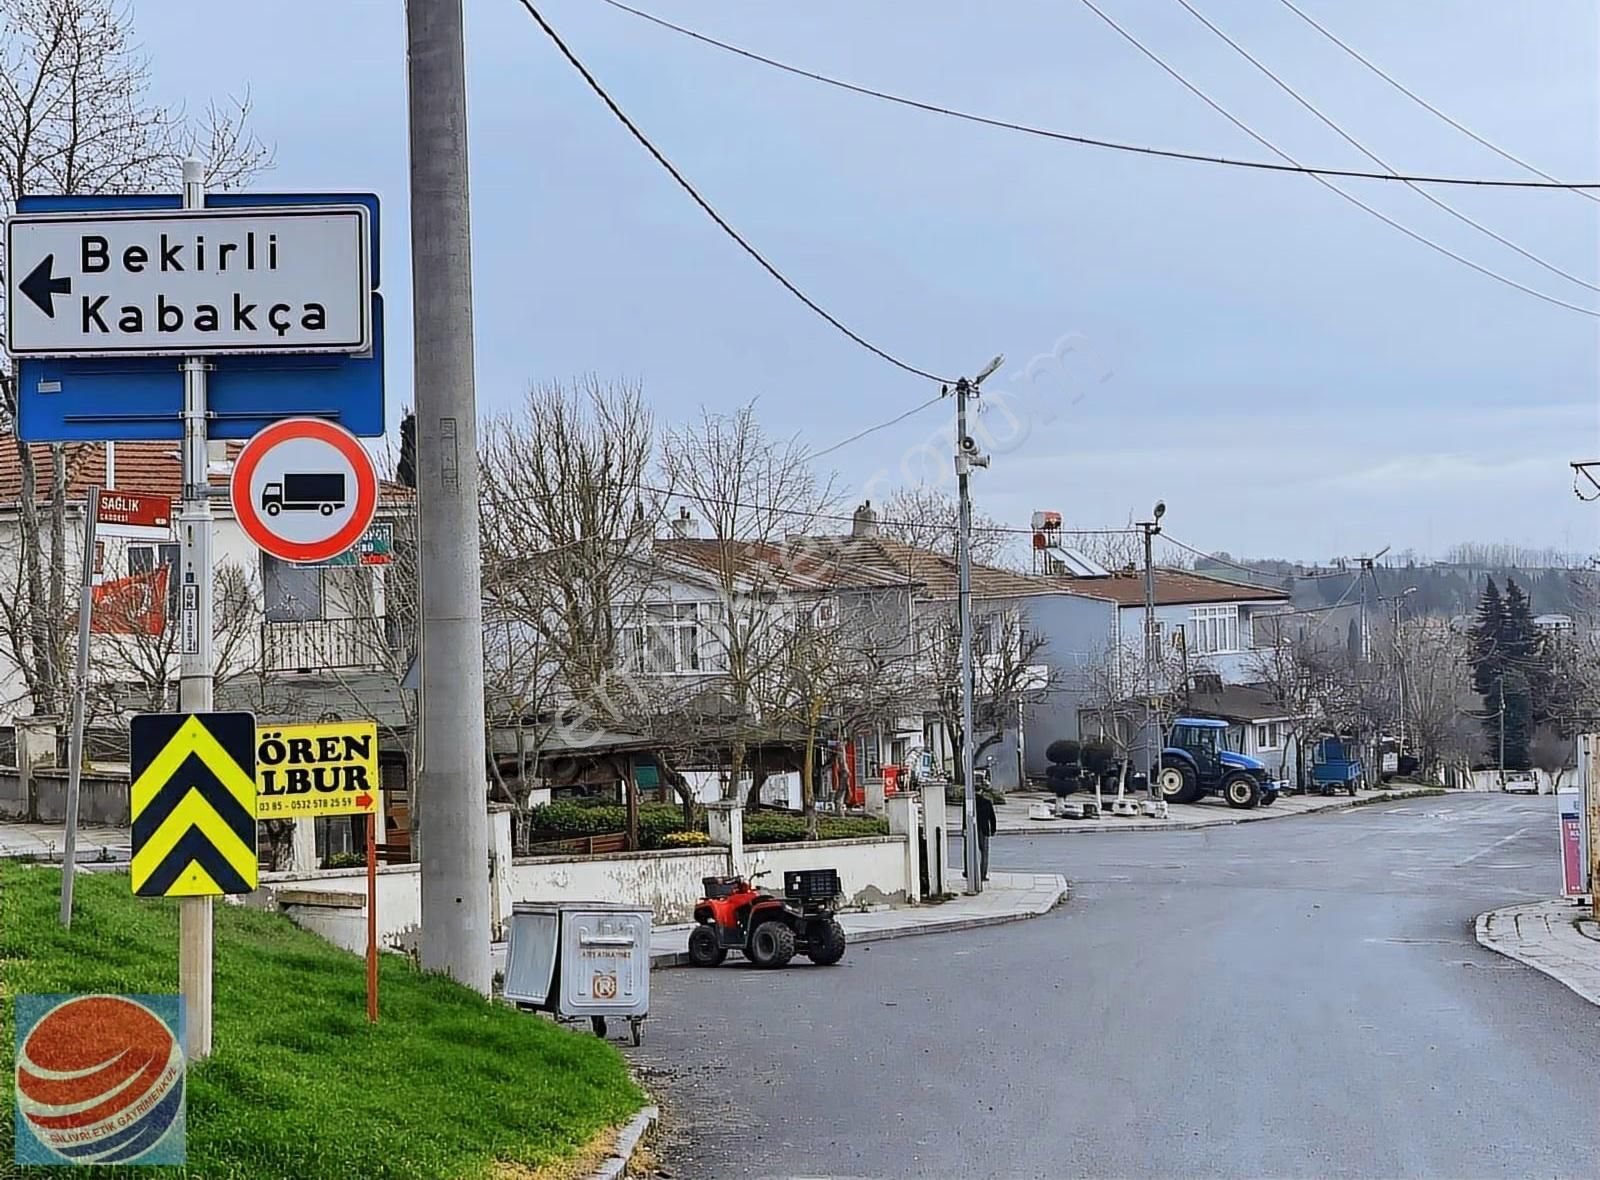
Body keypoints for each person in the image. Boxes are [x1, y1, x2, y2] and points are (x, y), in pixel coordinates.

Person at [975, 790, 997, 882]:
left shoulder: (971, 802)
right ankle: (983, 874)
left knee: (972, 852)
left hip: (974, 830)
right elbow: (992, 818)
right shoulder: (987, 803)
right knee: (984, 854)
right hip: (984, 830)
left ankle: (970, 872)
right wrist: (993, 830)